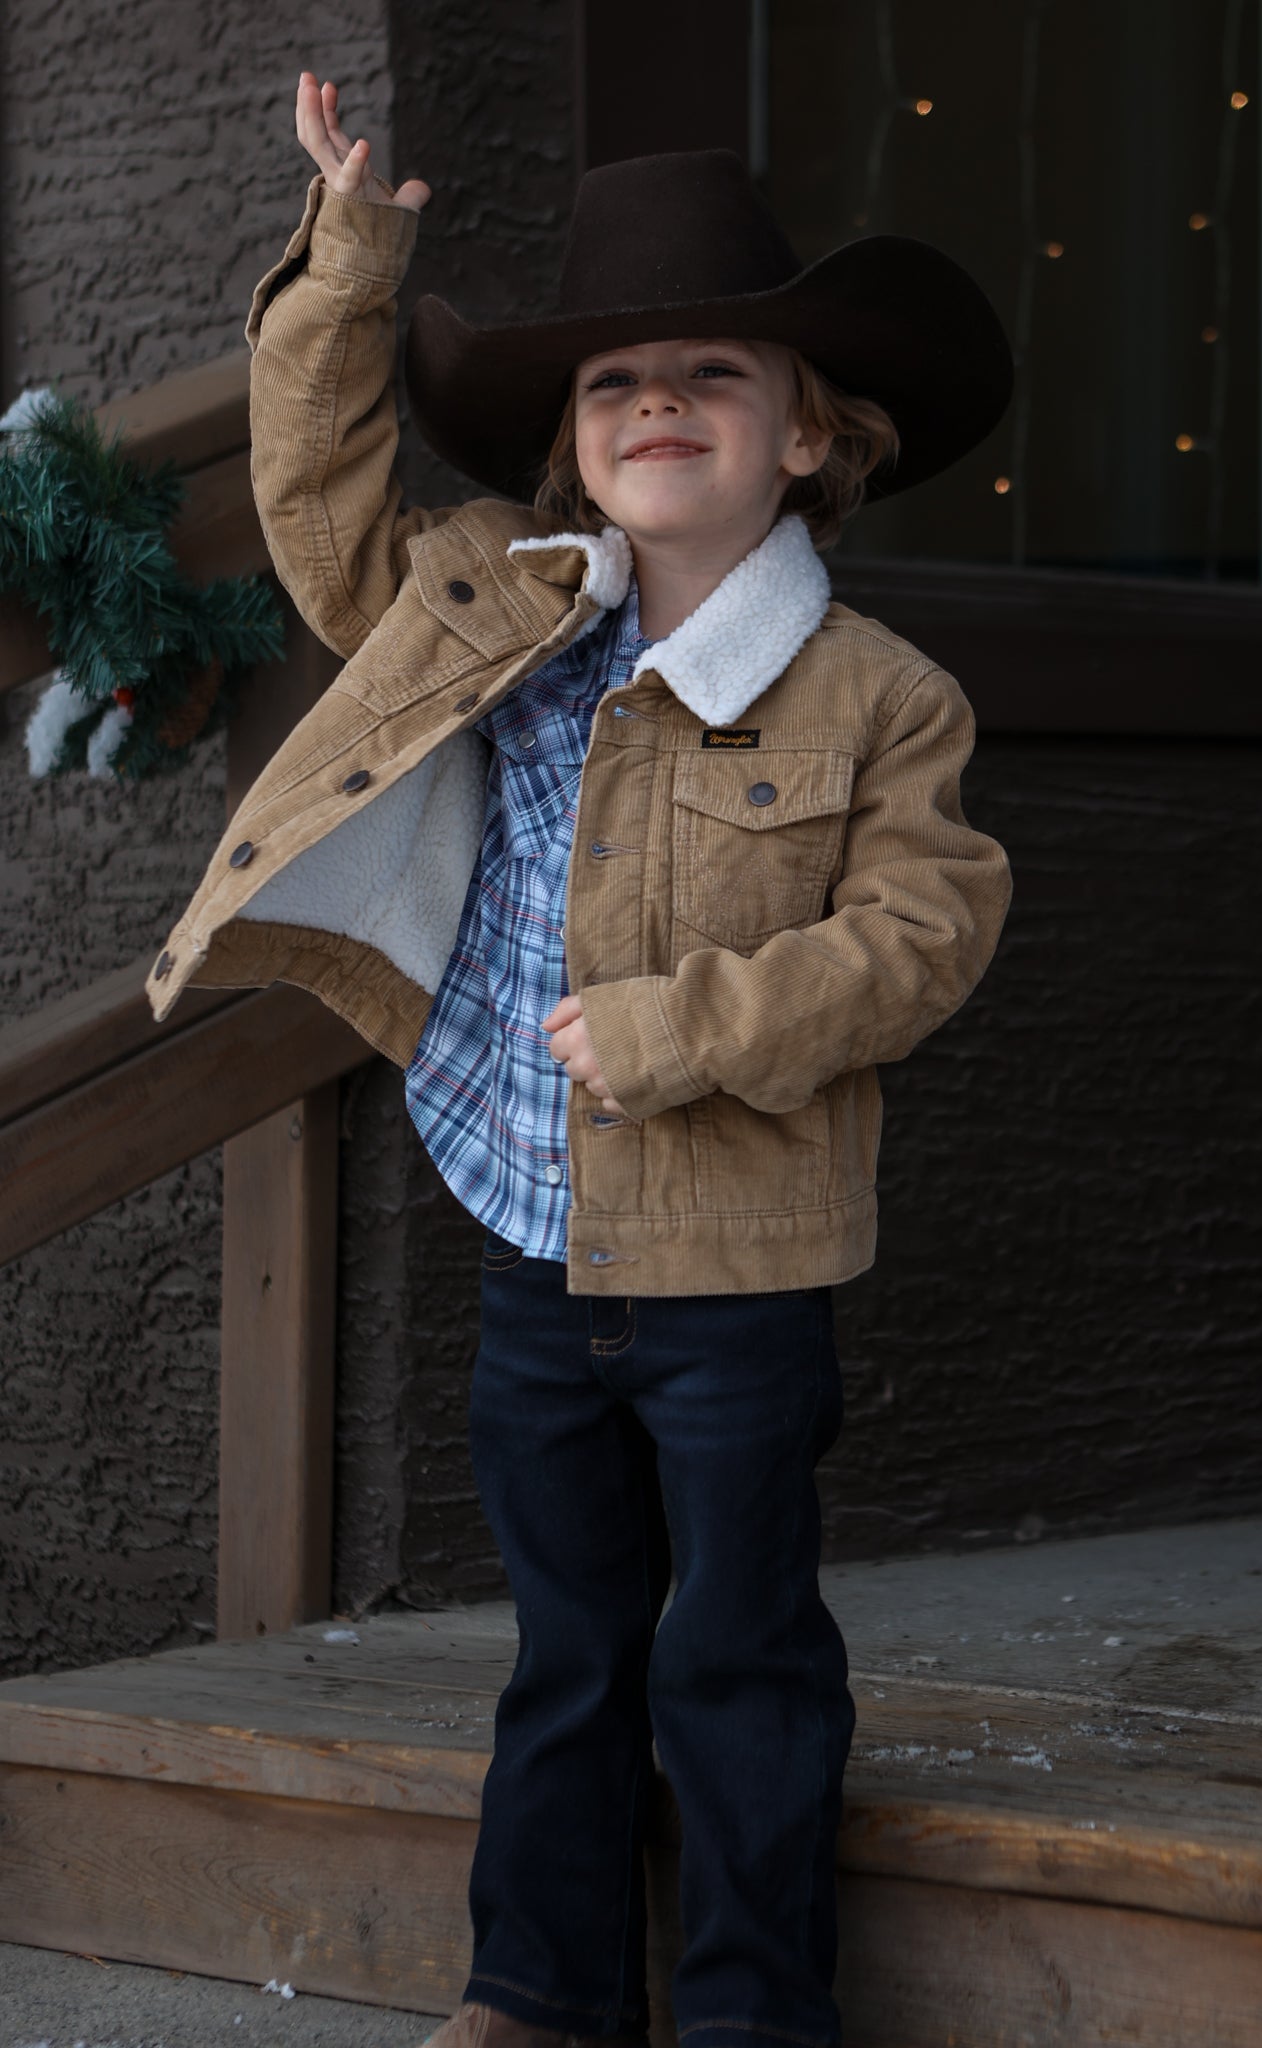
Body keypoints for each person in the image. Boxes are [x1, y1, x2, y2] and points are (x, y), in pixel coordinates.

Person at [146, 70, 1014, 2048]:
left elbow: (919, 934)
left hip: (737, 1269)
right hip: (530, 1246)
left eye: (712, 369)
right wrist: (348, 263)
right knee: (565, 1650)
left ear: (807, 432)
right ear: (568, 436)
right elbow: (318, 492)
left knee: (737, 1658)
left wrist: (679, 1029)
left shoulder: (880, 695)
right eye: (615, 376)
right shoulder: (495, 614)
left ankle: (745, 2010)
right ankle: (533, 1990)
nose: (654, 403)